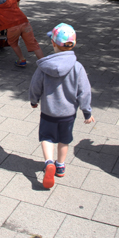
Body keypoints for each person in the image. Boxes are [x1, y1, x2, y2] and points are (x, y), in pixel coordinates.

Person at [30, 23, 95, 189]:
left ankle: (48, 162)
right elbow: (84, 91)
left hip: (48, 111)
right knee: (64, 140)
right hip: (68, 114)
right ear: (73, 44)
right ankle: (60, 165)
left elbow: (35, 85)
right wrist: (87, 112)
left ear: (53, 43)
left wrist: (34, 100)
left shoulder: (44, 66)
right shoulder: (77, 67)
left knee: (46, 137)